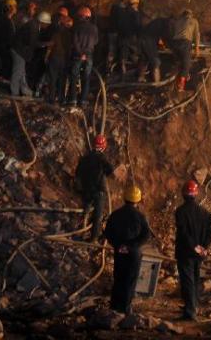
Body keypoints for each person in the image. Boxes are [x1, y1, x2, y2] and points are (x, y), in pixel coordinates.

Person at [104, 185, 151, 315]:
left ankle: (114, 306)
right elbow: (146, 235)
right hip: (133, 252)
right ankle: (125, 308)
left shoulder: (115, 214)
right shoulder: (140, 216)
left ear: (124, 197)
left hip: (119, 251)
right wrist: (132, 246)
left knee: (118, 277)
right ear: (138, 200)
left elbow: (108, 233)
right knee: (130, 280)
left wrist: (118, 245)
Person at [174, 179, 211, 321]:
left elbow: (183, 233)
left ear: (184, 194)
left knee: (188, 281)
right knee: (195, 278)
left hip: (186, 252)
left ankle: (190, 311)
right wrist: (203, 247)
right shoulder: (205, 214)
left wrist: (194, 247)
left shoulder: (180, 212)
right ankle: (192, 306)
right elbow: (210, 234)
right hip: (199, 254)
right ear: (196, 194)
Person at [75, 134, 114, 241]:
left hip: (86, 191)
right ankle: (93, 238)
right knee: (98, 215)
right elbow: (110, 169)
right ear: (104, 146)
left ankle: (81, 230)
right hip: (98, 191)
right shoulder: (101, 158)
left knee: (86, 209)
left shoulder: (85, 157)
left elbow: (77, 173)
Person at [10, 11, 51, 96]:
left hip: (20, 50)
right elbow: (33, 43)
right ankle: (14, 93)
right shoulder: (33, 27)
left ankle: (25, 91)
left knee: (22, 72)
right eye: (46, 24)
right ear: (42, 21)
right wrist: (46, 44)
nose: (47, 26)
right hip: (19, 51)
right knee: (18, 72)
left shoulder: (34, 24)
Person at [67, 6, 98, 108]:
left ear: (82, 16)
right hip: (89, 55)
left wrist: (81, 54)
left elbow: (75, 42)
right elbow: (96, 41)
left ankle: (73, 100)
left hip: (78, 55)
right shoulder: (94, 28)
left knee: (74, 77)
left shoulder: (76, 27)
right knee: (86, 78)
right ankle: (83, 101)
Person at [45, 7, 73, 104]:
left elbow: (50, 46)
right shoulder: (69, 35)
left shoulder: (55, 33)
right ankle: (62, 98)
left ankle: (51, 98)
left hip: (54, 58)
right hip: (64, 59)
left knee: (52, 79)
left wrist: (46, 57)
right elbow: (70, 48)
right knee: (62, 79)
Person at [169, 8, 200, 91]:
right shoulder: (194, 21)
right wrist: (197, 48)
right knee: (186, 64)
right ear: (191, 15)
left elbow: (172, 33)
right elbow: (197, 35)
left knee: (179, 63)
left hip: (174, 44)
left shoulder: (177, 21)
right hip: (184, 43)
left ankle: (177, 80)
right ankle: (181, 85)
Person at [115, 0, 143, 77]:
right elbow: (138, 26)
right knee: (136, 57)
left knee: (122, 58)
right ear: (135, 4)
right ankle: (136, 76)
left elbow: (119, 24)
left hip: (122, 38)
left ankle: (122, 76)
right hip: (131, 39)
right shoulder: (136, 14)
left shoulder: (122, 11)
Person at [107, 0, 133, 75]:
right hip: (115, 33)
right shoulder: (117, 8)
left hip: (120, 33)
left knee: (119, 50)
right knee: (112, 50)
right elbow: (116, 21)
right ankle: (109, 69)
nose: (127, 0)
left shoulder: (126, 8)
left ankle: (118, 68)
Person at [137, 16, 170, 83]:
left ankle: (141, 78)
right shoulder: (165, 23)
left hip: (141, 39)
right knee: (156, 62)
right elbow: (164, 37)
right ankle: (157, 82)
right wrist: (166, 45)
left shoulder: (156, 22)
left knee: (144, 59)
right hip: (148, 40)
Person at [0, 0, 18, 79]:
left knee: (6, 67)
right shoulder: (5, 20)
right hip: (5, 48)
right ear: (9, 7)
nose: (15, 8)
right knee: (7, 67)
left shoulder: (5, 19)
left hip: (4, 47)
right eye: (14, 6)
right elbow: (7, 36)